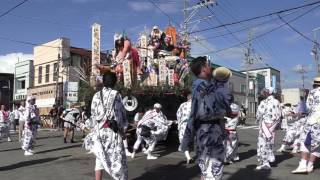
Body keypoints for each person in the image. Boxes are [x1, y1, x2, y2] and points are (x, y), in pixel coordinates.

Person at [181, 57, 232, 180]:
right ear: (204, 68)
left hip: (203, 131)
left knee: (205, 169)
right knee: (214, 171)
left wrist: (186, 139)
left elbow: (193, 113)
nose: (211, 67)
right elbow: (226, 100)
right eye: (208, 65)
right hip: (211, 132)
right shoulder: (205, 85)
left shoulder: (199, 85)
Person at [82, 71, 128, 180]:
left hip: (99, 131)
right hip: (112, 132)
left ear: (103, 82)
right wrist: (122, 129)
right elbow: (120, 114)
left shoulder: (96, 95)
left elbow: (93, 114)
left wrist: (88, 126)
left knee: (100, 158)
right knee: (117, 159)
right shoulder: (116, 95)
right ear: (114, 82)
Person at [292, 76, 320, 174]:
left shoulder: (313, 92)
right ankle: (310, 166)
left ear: (315, 84)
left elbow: (307, 108)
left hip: (313, 121)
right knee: (317, 146)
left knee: (305, 143)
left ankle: (303, 165)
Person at [255, 87, 281, 170]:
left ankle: (265, 163)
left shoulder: (264, 102)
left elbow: (259, 114)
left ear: (267, 93)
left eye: (264, 92)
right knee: (269, 143)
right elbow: (280, 115)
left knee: (263, 144)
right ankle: (270, 159)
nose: (263, 93)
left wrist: (257, 120)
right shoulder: (277, 102)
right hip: (272, 125)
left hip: (265, 125)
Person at [176, 93, 193, 164]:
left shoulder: (182, 105)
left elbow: (178, 114)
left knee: (184, 140)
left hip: (184, 125)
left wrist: (179, 124)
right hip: (193, 125)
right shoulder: (197, 104)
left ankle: (188, 157)